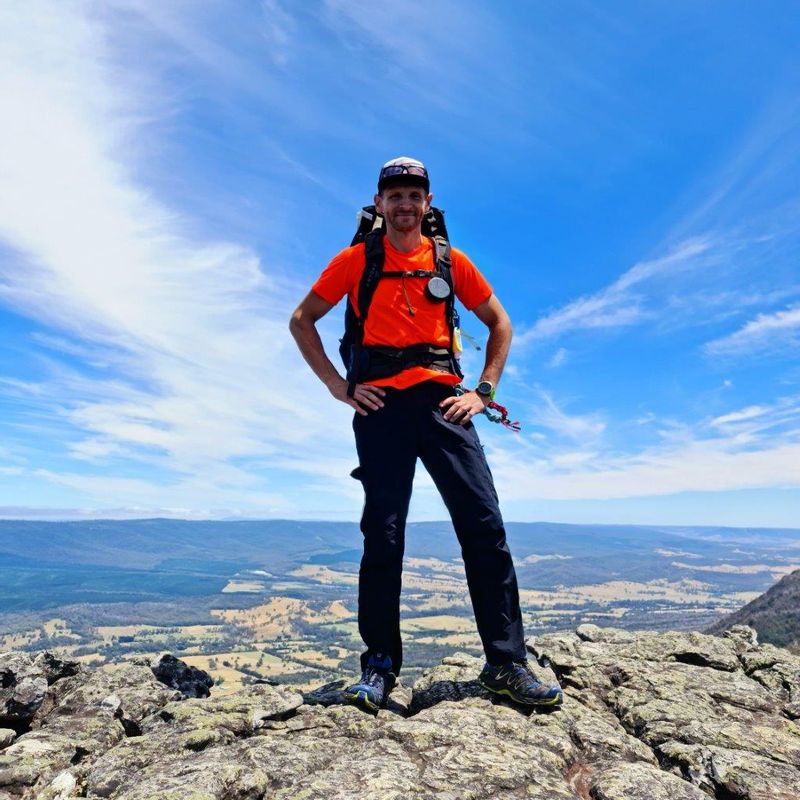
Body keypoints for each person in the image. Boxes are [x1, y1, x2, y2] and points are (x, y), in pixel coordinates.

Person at [289, 157, 563, 712]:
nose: (406, 204)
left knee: (483, 525)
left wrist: (481, 393)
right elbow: (302, 319)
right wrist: (339, 387)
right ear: (380, 202)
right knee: (383, 536)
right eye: (395, 195)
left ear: (429, 202)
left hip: (445, 404)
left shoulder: (450, 261)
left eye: (415, 195)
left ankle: (506, 663)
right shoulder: (355, 260)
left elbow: (499, 323)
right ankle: (380, 667)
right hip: (380, 404)